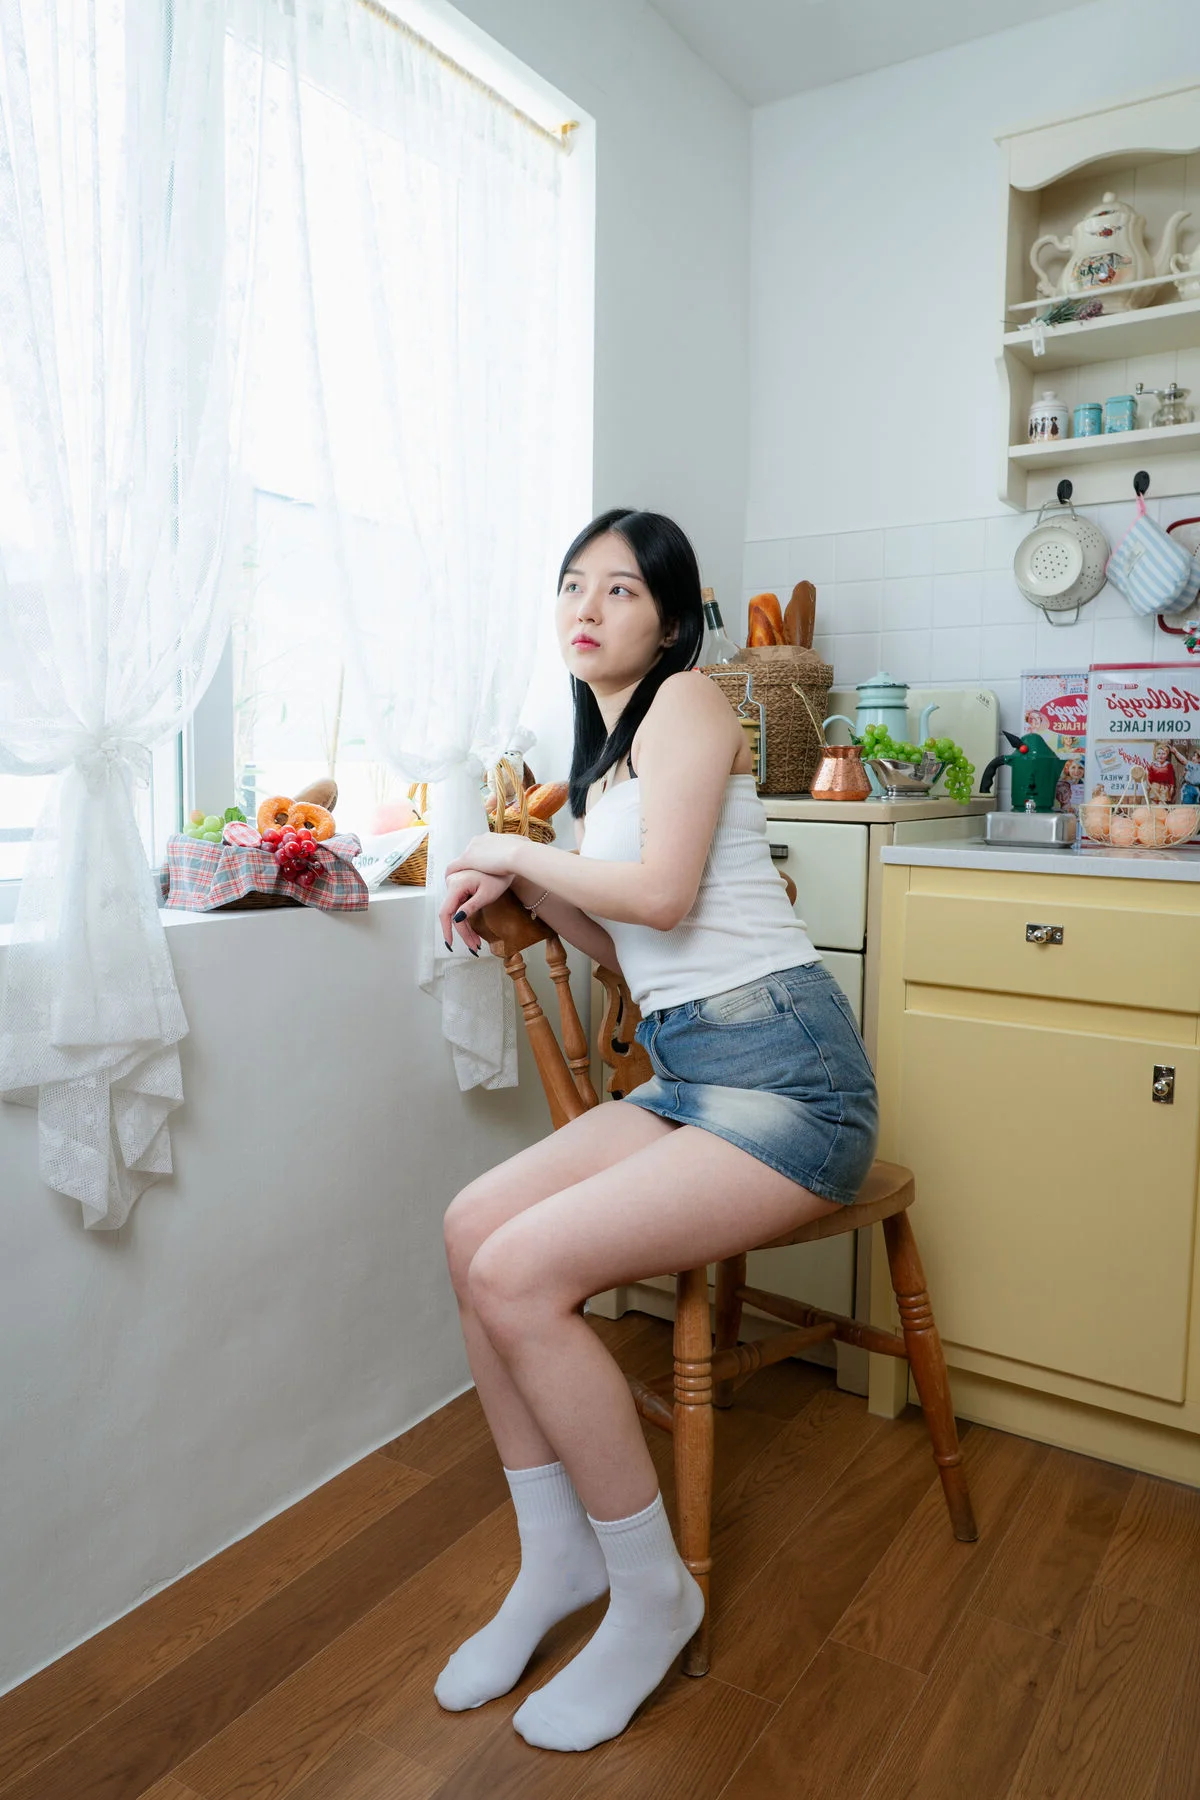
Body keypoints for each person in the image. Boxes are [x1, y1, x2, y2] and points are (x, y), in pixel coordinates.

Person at [434, 507, 879, 1753]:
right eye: (572, 584)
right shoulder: (607, 772)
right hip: (690, 1072)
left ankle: (649, 1593)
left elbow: (668, 897)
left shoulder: (691, 698)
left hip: (791, 1080)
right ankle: (556, 1559)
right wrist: (531, 887)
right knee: (471, 1230)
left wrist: (509, 847)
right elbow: (629, 950)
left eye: (620, 589)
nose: (587, 607)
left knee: (519, 1274)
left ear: (673, 619)